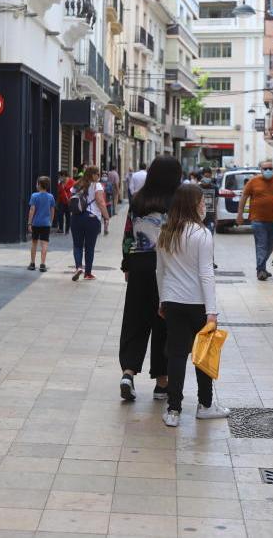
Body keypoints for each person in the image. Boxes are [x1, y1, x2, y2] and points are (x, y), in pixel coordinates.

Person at [156, 184, 231, 427]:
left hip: (173, 301)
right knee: (203, 354)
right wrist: (212, 311)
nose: (203, 205)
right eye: (200, 201)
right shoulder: (202, 234)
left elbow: (161, 271)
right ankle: (205, 405)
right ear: (191, 204)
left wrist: (161, 300)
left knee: (176, 355)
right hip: (197, 303)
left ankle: (174, 410)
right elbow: (206, 273)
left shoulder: (165, 232)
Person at [119, 156, 181, 401]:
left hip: (139, 265)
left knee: (134, 319)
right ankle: (162, 382)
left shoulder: (138, 201)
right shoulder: (176, 202)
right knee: (163, 322)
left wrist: (127, 264)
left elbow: (127, 235)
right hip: (167, 268)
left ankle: (128, 372)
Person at [236, 161, 273, 280]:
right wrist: (240, 214)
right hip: (258, 220)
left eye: (270, 168)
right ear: (261, 169)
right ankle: (261, 270)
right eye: (265, 168)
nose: (268, 170)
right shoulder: (253, 181)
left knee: (271, 245)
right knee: (262, 245)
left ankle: (262, 267)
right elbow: (244, 197)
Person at [71, 166, 109, 281]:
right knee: (89, 246)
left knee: (77, 245)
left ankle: (78, 267)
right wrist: (106, 217)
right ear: (92, 174)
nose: (99, 176)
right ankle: (87, 273)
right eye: (97, 174)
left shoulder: (76, 185)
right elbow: (101, 202)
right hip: (92, 218)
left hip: (76, 218)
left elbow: (72, 199)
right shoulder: (96, 185)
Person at [28, 176, 56, 272]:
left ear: (39, 185)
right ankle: (43, 264)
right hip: (46, 224)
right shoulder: (50, 197)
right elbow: (52, 210)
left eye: (37, 183)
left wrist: (29, 223)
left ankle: (32, 263)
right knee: (44, 244)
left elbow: (32, 210)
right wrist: (51, 221)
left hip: (36, 223)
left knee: (34, 243)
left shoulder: (34, 196)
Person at [55, 170, 74, 235]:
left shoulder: (71, 181)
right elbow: (59, 193)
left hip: (69, 201)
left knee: (68, 215)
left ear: (63, 176)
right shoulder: (60, 183)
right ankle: (61, 228)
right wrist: (57, 202)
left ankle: (67, 229)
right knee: (60, 214)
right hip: (61, 201)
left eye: (60, 176)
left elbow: (74, 191)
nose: (59, 178)